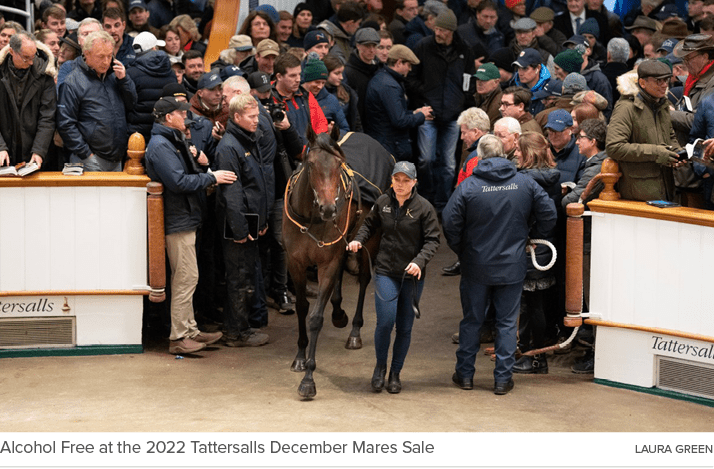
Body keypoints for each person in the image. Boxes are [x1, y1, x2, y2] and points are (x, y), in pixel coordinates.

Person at [443, 134, 557, 395]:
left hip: (476, 266)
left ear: (479, 158)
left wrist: (463, 250)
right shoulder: (525, 183)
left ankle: (465, 375)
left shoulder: (469, 187)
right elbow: (549, 214)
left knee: (472, 321)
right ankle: (503, 380)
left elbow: (449, 224)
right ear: (505, 154)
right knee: (507, 323)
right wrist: (532, 235)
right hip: (512, 265)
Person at [145, 96, 236, 354]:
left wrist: (204, 171)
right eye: (180, 113)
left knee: (189, 277)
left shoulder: (170, 140)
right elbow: (178, 182)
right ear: (167, 117)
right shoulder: (162, 145)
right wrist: (211, 178)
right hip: (177, 220)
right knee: (185, 278)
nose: (185, 117)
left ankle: (190, 330)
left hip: (183, 217)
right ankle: (179, 337)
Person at [347, 161, 440, 394]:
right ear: (391, 180)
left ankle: (395, 373)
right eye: (397, 180)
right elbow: (369, 224)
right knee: (385, 322)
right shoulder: (382, 203)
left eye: (406, 181)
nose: (400, 185)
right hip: (386, 271)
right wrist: (359, 239)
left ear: (414, 182)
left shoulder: (424, 208)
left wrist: (419, 262)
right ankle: (380, 367)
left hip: (412, 276)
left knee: (405, 327)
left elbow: (433, 240)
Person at [407, 8, 475, 214]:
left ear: (452, 31)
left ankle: (443, 205)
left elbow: (469, 82)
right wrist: (424, 96)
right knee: (426, 159)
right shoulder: (423, 47)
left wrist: (462, 103)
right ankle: (425, 199)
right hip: (429, 114)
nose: (438, 33)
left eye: (443, 30)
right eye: (436, 28)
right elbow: (411, 79)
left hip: (453, 116)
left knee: (448, 164)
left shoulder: (465, 50)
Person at [215, 93, 271, 347]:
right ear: (236, 117)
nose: (256, 121)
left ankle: (241, 327)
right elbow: (232, 194)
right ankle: (236, 333)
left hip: (250, 223)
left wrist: (261, 221)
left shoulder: (248, 140)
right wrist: (239, 230)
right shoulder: (229, 147)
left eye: (257, 116)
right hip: (237, 227)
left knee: (246, 276)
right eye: (251, 117)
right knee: (238, 278)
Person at [511, 131, 560, 375]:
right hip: (542, 248)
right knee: (536, 305)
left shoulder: (527, 181)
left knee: (531, 307)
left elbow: (546, 215)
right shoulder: (550, 177)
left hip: (534, 249)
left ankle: (535, 358)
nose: (515, 154)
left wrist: (529, 236)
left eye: (519, 150)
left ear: (528, 154)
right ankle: (533, 355)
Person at [57, 31, 137, 171]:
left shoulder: (115, 75)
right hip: (89, 159)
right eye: (101, 57)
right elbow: (65, 123)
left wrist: (124, 80)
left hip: (117, 157)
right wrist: (86, 154)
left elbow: (131, 104)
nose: (106, 61)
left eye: (109, 56)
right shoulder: (73, 81)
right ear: (86, 54)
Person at [606, 59, 682, 201]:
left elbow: (670, 135)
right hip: (638, 193)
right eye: (658, 81)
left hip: (666, 189)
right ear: (642, 83)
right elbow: (614, 147)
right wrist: (656, 152)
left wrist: (677, 153)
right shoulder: (626, 108)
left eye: (666, 80)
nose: (664, 85)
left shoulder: (663, 104)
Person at [0, 32, 57, 169]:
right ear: (12, 52)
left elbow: (47, 117)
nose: (31, 62)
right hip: (4, 151)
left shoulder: (45, 74)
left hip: (35, 152)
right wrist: (0, 147)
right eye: (26, 58)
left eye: (33, 56)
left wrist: (39, 150)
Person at [364, 45, 430, 161]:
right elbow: (399, 120)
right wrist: (421, 116)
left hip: (384, 142)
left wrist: (414, 112)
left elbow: (392, 113)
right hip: (390, 145)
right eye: (408, 65)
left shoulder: (383, 78)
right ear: (399, 63)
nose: (410, 69)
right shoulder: (390, 86)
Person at [126, 31, 176, 142]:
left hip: (136, 137)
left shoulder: (130, 74)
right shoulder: (171, 73)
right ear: (154, 48)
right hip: (164, 135)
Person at [271, 53, 328, 145]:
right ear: (279, 76)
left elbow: (321, 125)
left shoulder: (306, 95)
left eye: (299, 74)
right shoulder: (269, 99)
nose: (298, 79)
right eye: (293, 75)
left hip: (311, 154)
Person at [344, 27, 381, 125]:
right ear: (358, 46)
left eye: (374, 46)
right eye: (368, 46)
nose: (372, 50)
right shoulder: (348, 72)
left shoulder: (379, 68)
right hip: (360, 123)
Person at [302, 58, 350, 132]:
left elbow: (345, 128)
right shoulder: (296, 98)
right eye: (317, 82)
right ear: (307, 80)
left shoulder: (331, 100)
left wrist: (332, 132)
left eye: (323, 83)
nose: (320, 86)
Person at [324, 54, 362, 132]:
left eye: (341, 73)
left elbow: (356, 120)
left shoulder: (347, 91)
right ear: (326, 73)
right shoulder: (318, 94)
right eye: (337, 73)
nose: (341, 77)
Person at [473, 63, 502, 129]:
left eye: (484, 80)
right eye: (477, 79)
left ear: (496, 82)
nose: (479, 83)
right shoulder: (475, 97)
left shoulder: (500, 103)